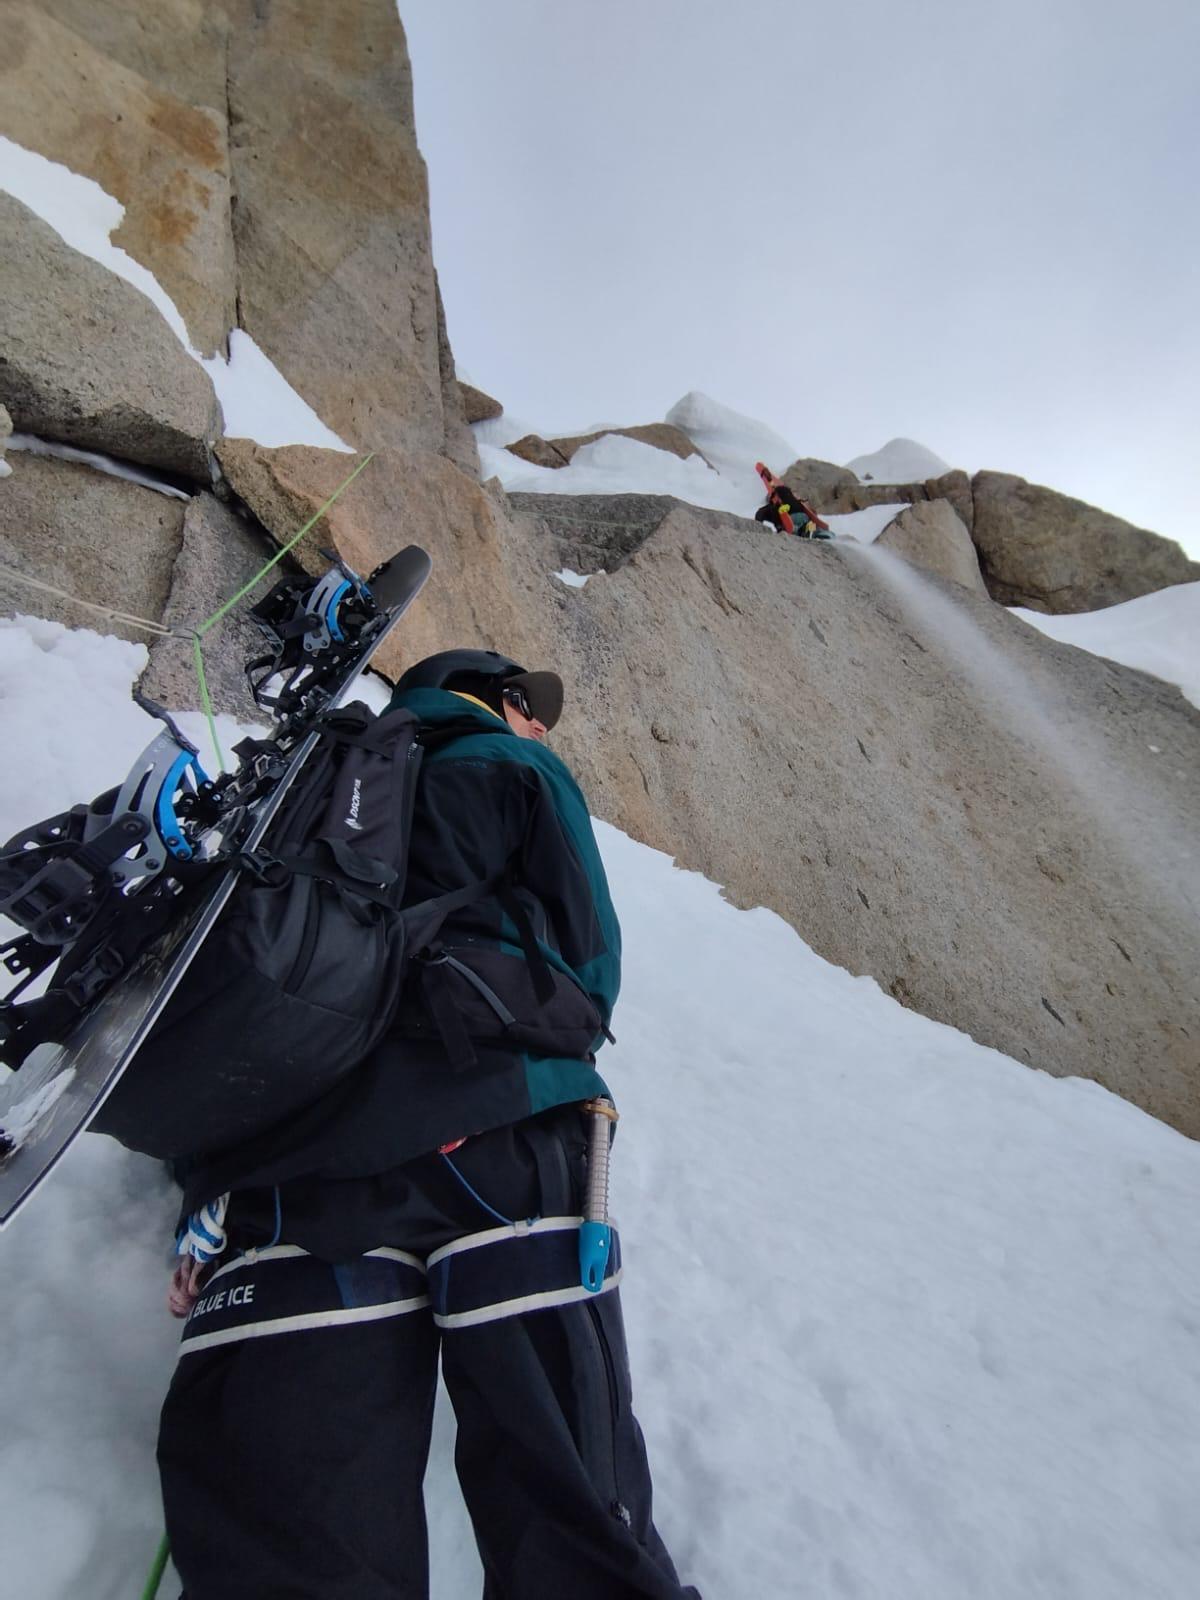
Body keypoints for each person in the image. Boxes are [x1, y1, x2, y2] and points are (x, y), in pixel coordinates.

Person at [156, 648, 700, 1600]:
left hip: (296, 1173)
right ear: (500, 699)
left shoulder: (307, 779)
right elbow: (588, 961)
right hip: (498, 1135)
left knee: (293, 1547)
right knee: (574, 1518)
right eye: (533, 708)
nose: (539, 726)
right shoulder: (511, 762)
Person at [755, 482, 833, 539]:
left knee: (795, 529)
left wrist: (778, 527)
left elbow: (760, 514)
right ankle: (818, 532)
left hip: (791, 518)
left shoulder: (774, 505)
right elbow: (810, 511)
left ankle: (805, 532)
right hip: (804, 516)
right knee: (808, 523)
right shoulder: (796, 501)